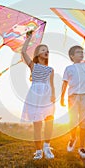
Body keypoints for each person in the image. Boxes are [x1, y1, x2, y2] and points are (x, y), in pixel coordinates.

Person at [60, 29, 85, 159]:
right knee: (73, 121)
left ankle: (81, 148)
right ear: (72, 56)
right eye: (78, 52)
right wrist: (62, 98)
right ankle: (72, 138)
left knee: (84, 123)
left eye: (82, 52)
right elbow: (64, 83)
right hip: (73, 98)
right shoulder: (68, 68)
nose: (81, 54)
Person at [21, 30, 56, 160]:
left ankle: (47, 147)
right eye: (43, 49)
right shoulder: (33, 66)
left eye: (47, 50)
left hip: (47, 96)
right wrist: (28, 39)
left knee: (49, 121)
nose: (46, 51)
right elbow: (23, 52)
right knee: (37, 124)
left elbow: (52, 84)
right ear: (37, 53)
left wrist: (53, 96)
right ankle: (38, 151)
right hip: (35, 96)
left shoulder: (50, 69)